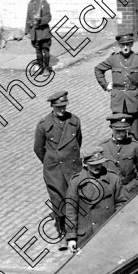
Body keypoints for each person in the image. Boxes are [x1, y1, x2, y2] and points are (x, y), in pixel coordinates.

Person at [34, 90, 82, 243]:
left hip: (72, 165)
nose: (62, 109)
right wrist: (51, 161)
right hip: (55, 169)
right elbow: (38, 148)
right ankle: (62, 227)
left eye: (64, 106)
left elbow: (78, 142)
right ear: (52, 106)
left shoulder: (74, 121)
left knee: (76, 196)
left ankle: (78, 226)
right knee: (58, 199)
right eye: (58, 107)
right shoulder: (44, 125)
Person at [94, 33, 138, 142]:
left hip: (134, 97)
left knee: (133, 129)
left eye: (128, 44)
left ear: (131, 44)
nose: (125, 47)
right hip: (118, 98)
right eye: (123, 45)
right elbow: (98, 69)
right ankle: (117, 148)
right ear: (119, 45)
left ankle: (133, 149)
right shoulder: (113, 59)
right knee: (117, 125)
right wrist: (105, 85)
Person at [64, 147, 126, 253]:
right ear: (85, 164)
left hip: (109, 232)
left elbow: (122, 203)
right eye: (93, 164)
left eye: (99, 163)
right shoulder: (76, 182)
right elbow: (71, 211)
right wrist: (71, 237)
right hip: (86, 236)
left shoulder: (112, 178)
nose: (97, 167)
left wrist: (116, 223)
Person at [99, 113, 138, 201]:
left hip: (129, 191)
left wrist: (131, 186)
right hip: (109, 192)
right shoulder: (103, 147)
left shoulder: (134, 146)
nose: (121, 134)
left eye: (124, 131)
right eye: (117, 131)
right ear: (111, 128)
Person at [26, 0, 52, 77]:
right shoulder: (30, 4)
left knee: (45, 50)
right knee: (38, 50)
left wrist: (40, 20)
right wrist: (27, 31)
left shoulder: (44, 3)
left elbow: (48, 17)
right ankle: (40, 66)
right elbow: (28, 19)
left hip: (43, 32)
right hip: (35, 33)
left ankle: (46, 68)